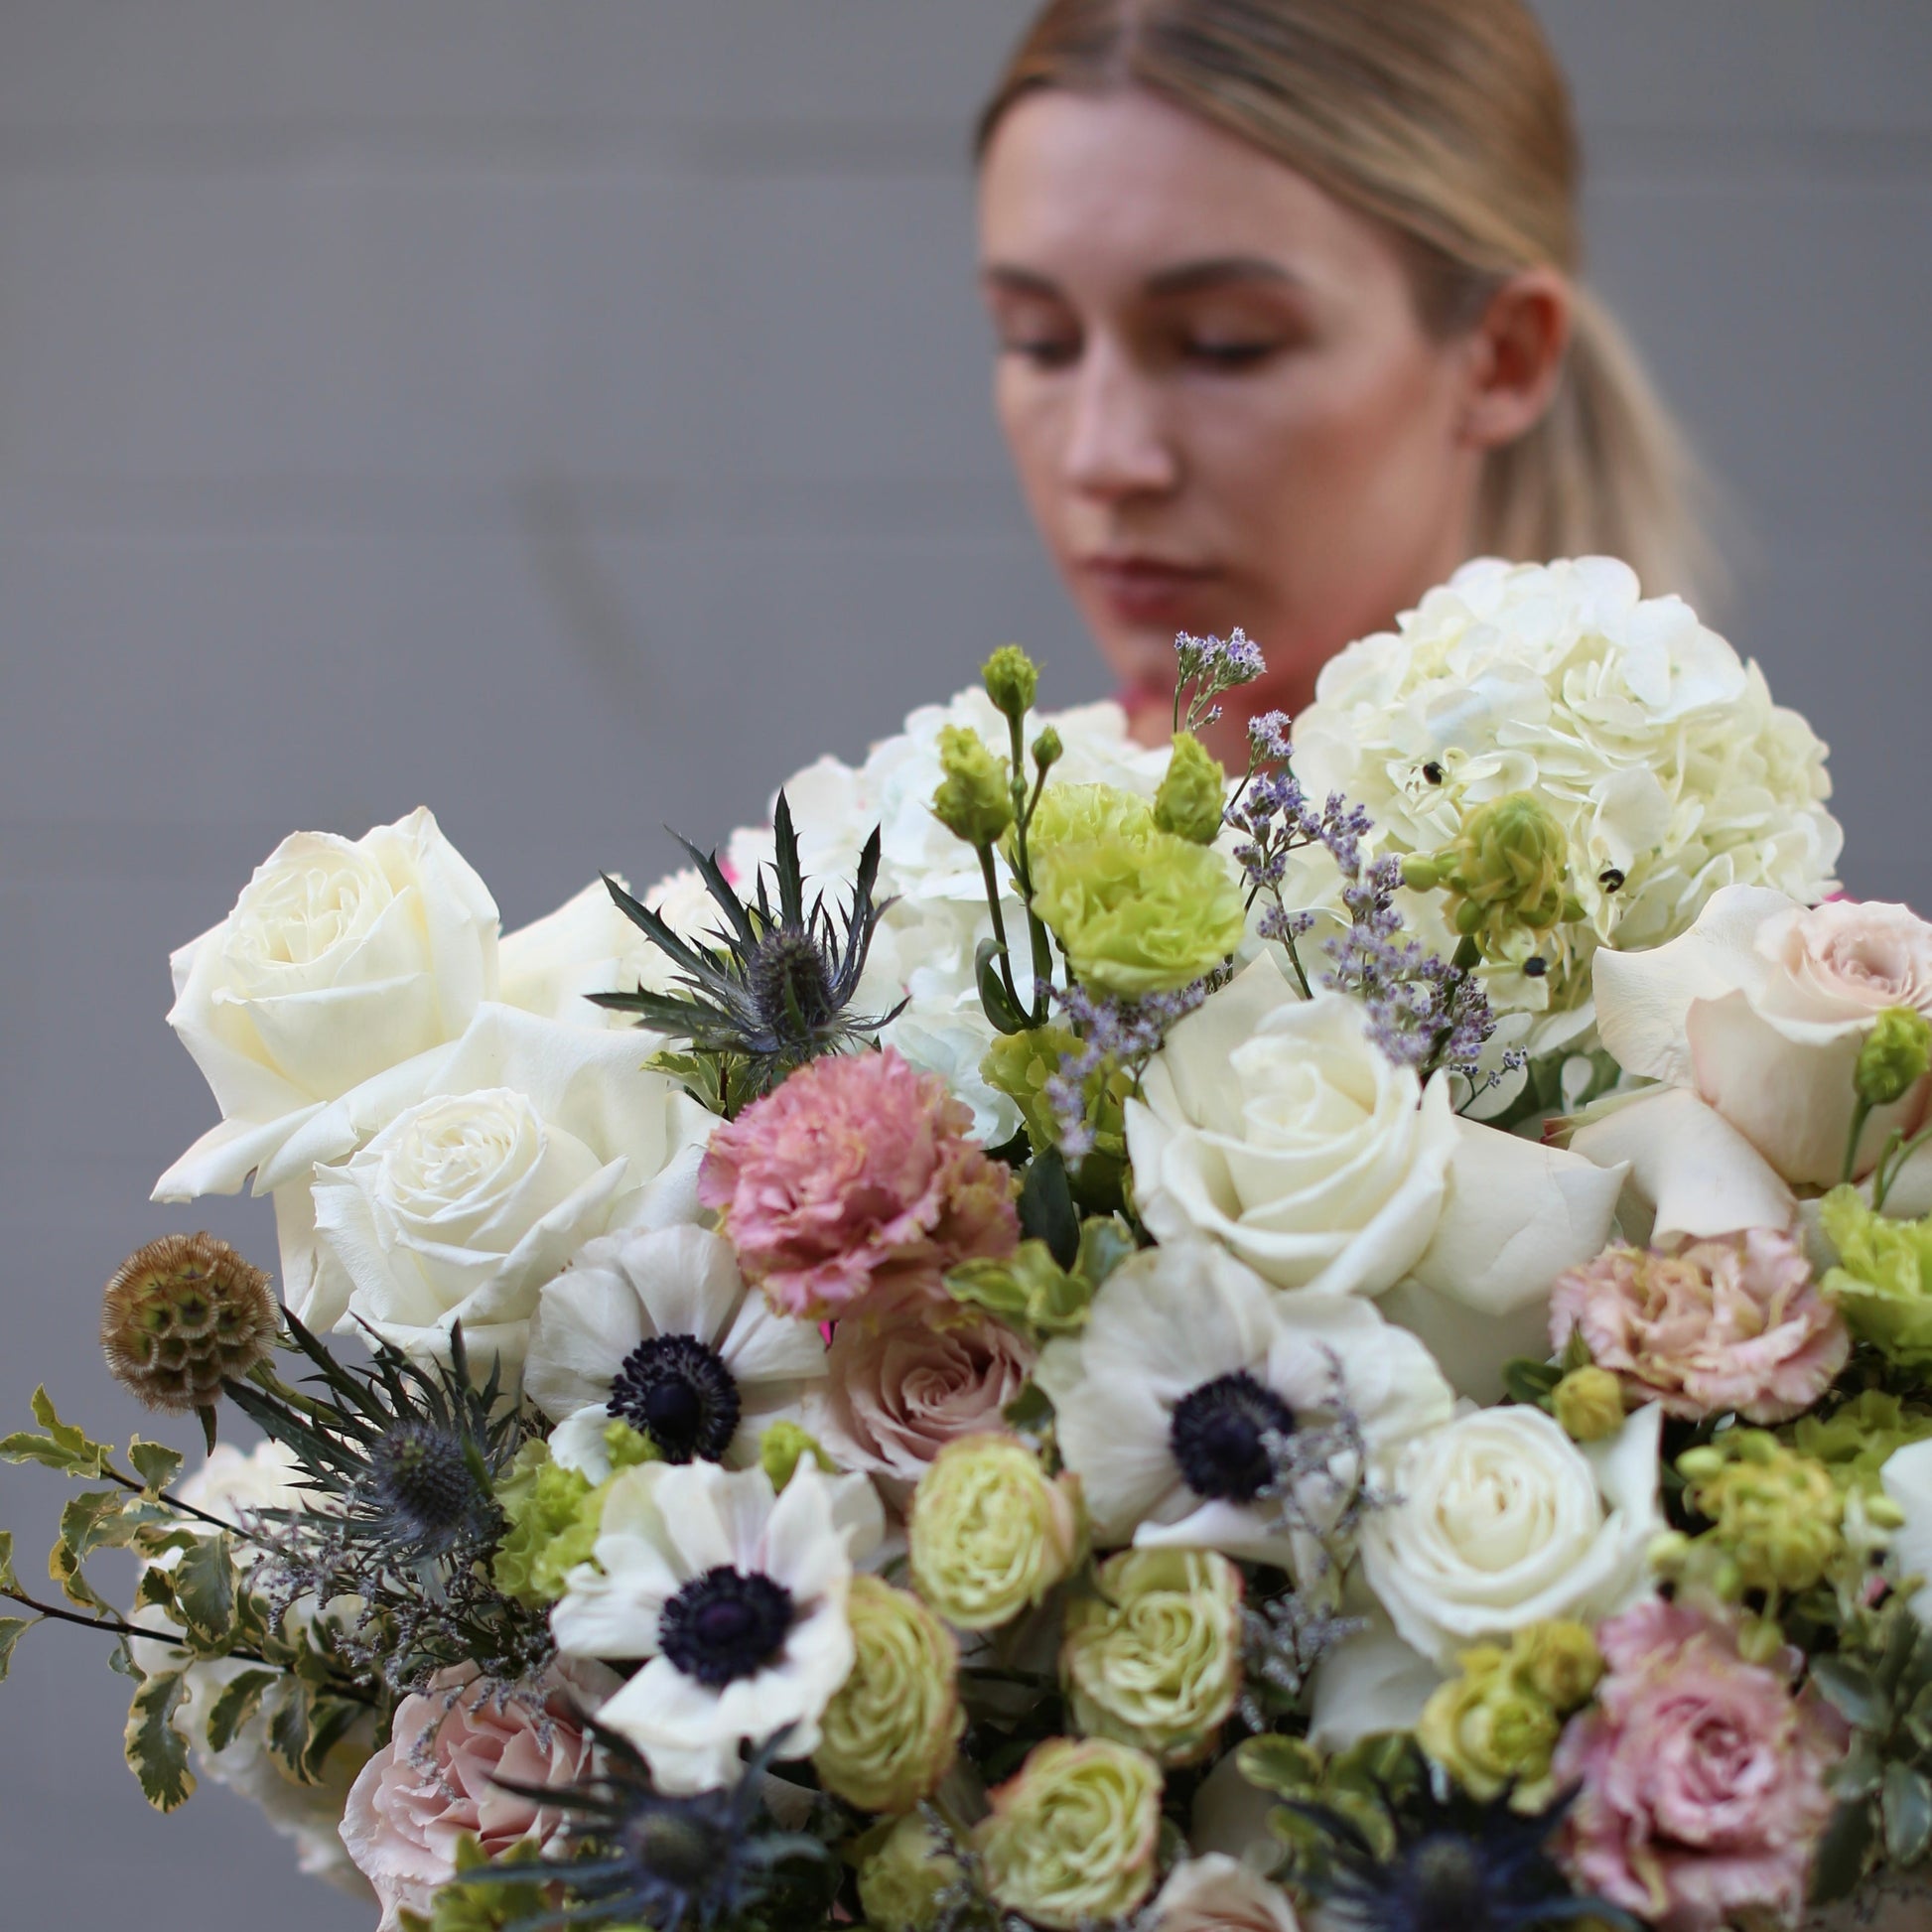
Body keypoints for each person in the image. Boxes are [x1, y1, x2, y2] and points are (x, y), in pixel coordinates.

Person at [975, 0, 1715, 756]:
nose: (1100, 458)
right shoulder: (961, 858)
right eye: (1041, 342)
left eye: (1225, 345)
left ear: (1503, 360)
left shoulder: (1698, 870)